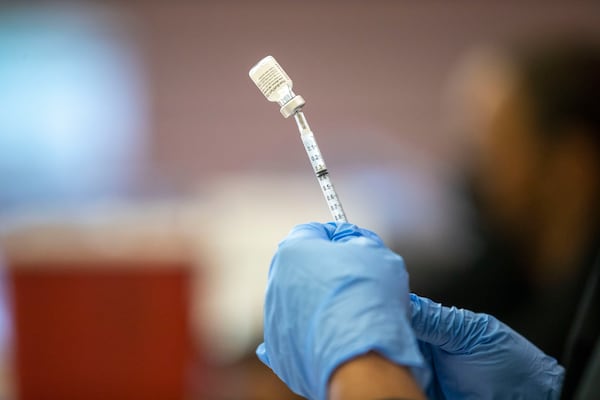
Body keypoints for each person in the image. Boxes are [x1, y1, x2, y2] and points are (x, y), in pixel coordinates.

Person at [256, 40, 600, 399]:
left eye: (504, 152)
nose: (481, 177)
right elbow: (446, 289)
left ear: (571, 166)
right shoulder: (511, 262)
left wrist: (360, 363)